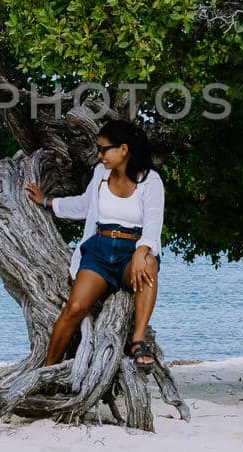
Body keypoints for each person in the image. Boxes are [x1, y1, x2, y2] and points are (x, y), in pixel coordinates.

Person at [24, 118, 163, 371]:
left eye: (103, 149)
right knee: (74, 308)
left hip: (131, 251)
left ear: (123, 149)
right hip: (99, 250)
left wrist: (143, 251)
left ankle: (138, 341)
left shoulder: (150, 180)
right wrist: (48, 202)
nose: (99, 155)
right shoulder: (101, 174)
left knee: (149, 265)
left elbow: (153, 224)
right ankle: (46, 369)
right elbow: (84, 205)